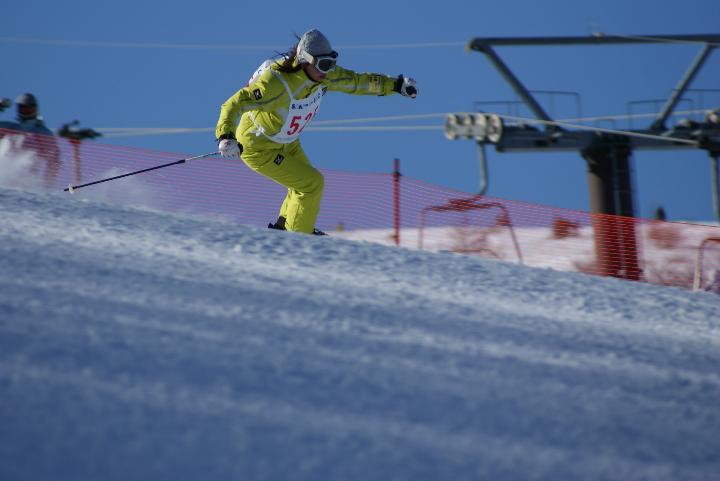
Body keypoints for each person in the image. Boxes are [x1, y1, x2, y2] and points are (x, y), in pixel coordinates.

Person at [215, 28, 418, 235]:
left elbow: (357, 82)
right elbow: (234, 103)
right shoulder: (276, 84)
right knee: (311, 184)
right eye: (323, 64)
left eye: (331, 63)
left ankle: (285, 228)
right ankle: (298, 238)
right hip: (258, 147)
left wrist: (395, 85)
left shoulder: (323, 76)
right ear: (305, 60)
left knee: (302, 184)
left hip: (287, 142)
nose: (327, 70)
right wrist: (225, 136)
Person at [0, 93, 61, 187]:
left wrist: (47, 184)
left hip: (26, 179)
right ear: (18, 109)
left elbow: (54, 160)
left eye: (30, 108)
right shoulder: (9, 127)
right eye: (23, 108)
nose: (27, 111)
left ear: (36, 109)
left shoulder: (41, 132)